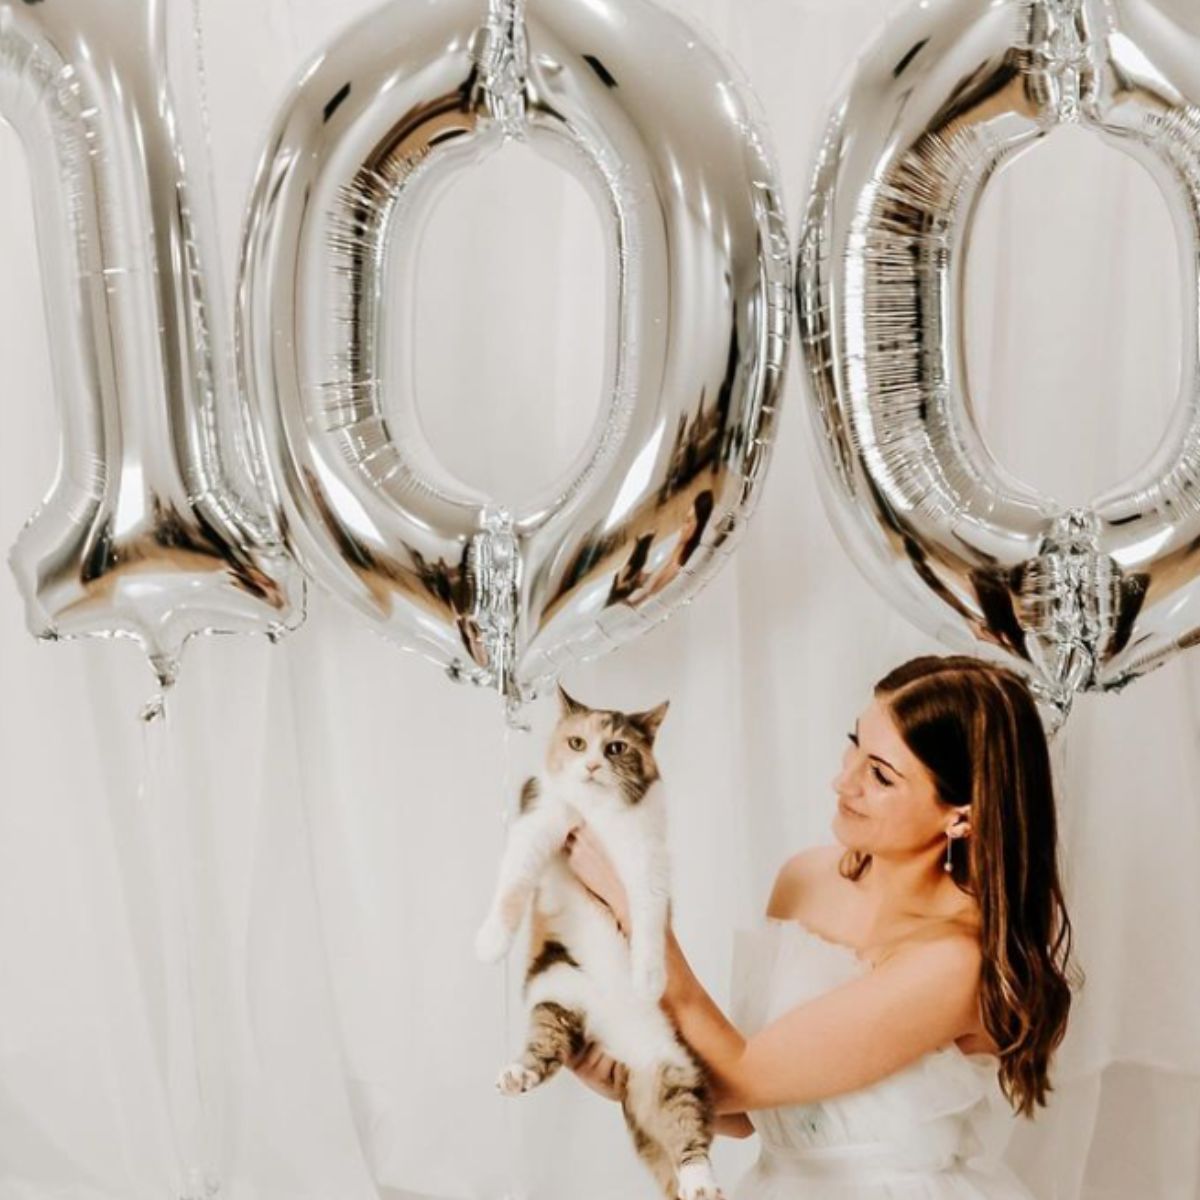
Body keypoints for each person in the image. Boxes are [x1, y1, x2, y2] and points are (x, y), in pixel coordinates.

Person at [561, 654, 1080, 1197]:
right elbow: (750, 1111)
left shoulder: (954, 961)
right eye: (854, 743)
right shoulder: (805, 879)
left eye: (880, 775)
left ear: (960, 816)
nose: (842, 780)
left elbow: (744, 1076)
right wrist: (627, 1079)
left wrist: (638, 908)